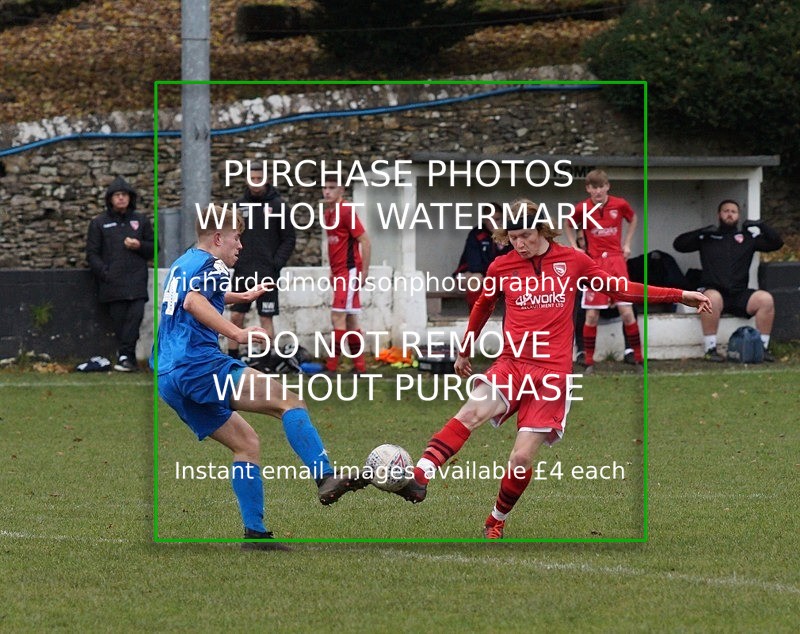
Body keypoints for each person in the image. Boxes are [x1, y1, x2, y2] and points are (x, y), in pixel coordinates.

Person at [391, 199, 711, 539]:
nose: (519, 244)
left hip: (552, 375)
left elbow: (620, 288)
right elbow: (483, 306)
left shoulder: (573, 261)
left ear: (542, 230)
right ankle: (419, 478)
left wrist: (680, 295)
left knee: (520, 459)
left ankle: (496, 519)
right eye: (512, 237)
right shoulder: (501, 266)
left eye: (525, 236)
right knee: (470, 413)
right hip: (512, 364)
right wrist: (464, 350)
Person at [152, 209, 364, 551]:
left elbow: (191, 294)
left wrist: (242, 297)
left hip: (168, 376)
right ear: (218, 238)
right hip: (198, 366)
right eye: (236, 237)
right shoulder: (213, 264)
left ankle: (255, 535)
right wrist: (237, 332)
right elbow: (193, 301)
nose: (240, 245)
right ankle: (325, 476)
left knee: (246, 444)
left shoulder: (182, 263)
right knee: (289, 401)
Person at [673, 199, 783, 362]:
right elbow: (679, 245)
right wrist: (701, 232)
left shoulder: (747, 238)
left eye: (733, 211)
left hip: (739, 293)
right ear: (719, 214)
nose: (730, 214)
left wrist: (760, 225)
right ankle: (710, 349)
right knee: (711, 298)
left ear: (738, 216)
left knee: (765, 299)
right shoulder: (708, 237)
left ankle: (762, 348)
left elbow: (776, 243)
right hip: (715, 291)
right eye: (726, 211)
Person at [564, 169, 641, 374]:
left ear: (607, 186)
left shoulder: (620, 204)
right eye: (593, 187)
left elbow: (633, 218)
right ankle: (589, 361)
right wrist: (575, 247)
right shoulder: (582, 208)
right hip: (595, 263)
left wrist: (627, 243)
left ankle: (638, 357)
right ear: (588, 189)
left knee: (626, 311)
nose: (598, 191)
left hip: (616, 260)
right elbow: (568, 224)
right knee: (592, 314)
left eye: (601, 186)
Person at [226, 164, 296, 359]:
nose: (255, 182)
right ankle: (232, 358)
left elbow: (289, 239)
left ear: (266, 179)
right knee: (236, 316)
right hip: (242, 271)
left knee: (266, 317)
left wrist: (275, 264)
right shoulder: (238, 206)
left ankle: (266, 360)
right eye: (252, 179)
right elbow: (230, 235)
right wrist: (235, 261)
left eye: (259, 178)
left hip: (267, 273)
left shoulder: (278, 206)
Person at [86, 176, 154, 371]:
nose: (121, 198)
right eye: (117, 195)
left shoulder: (141, 220)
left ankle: (126, 357)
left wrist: (139, 245)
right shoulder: (99, 223)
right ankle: (126, 357)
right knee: (120, 322)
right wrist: (105, 273)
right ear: (110, 199)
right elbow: (92, 253)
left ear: (130, 197)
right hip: (113, 284)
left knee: (135, 318)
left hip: (136, 282)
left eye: (124, 194)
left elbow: (154, 248)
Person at [322, 175, 371, 374]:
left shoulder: (346, 211)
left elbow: (365, 240)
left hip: (349, 271)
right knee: (350, 319)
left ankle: (331, 366)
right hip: (338, 272)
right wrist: (331, 270)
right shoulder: (328, 214)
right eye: (325, 187)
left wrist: (364, 271)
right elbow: (335, 246)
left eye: (332, 187)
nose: (327, 191)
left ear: (341, 190)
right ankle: (360, 366)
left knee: (337, 316)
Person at [453, 202, 512, 309]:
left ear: (503, 219)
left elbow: (512, 261)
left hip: (500, 275)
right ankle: (476, 314)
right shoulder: (476, 234)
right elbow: (474, 265)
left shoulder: (509, 234)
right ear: (484, 220)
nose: (494, 223)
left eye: (497, 219)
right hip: (477, 274)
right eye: (490, 219)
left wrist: (500, 244)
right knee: (475, 279)